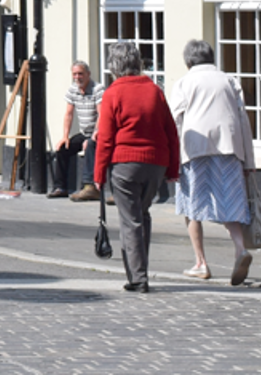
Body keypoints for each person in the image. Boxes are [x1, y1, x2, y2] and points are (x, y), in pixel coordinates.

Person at [92, 41, 180, 293]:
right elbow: (171, 132)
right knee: (142, 215)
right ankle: (137, 272)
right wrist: (172, 169)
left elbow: (106, 138)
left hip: (125, 164)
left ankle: (139, 278)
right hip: (155, 163)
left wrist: (98, 175)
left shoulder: (114, 92)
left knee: (131, 220)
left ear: (114, 66)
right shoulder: (155, 90)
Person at [169, 39, 257, 285]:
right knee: (230, 201)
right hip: (229, 148)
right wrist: (249, 160)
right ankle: (240, 249)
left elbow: (176, 121)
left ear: (188, 61)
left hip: (194, 149)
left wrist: (173, 159)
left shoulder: (184, 83)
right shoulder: (229, 81)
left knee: (191, 207)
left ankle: (201, 263)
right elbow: (243, 121)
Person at [52, 61, 104, 200]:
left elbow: (102, 114)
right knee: (62, 148)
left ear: (88, 74)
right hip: (84, 132)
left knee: (89, 146)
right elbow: (69, 113)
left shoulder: (97, 89)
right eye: (74, 74)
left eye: (80, 74)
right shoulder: (73, 90)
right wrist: (65, 136)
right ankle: (60, 187)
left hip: (99, 132)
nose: (77, 77)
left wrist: (94, 135)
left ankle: (89, 187)